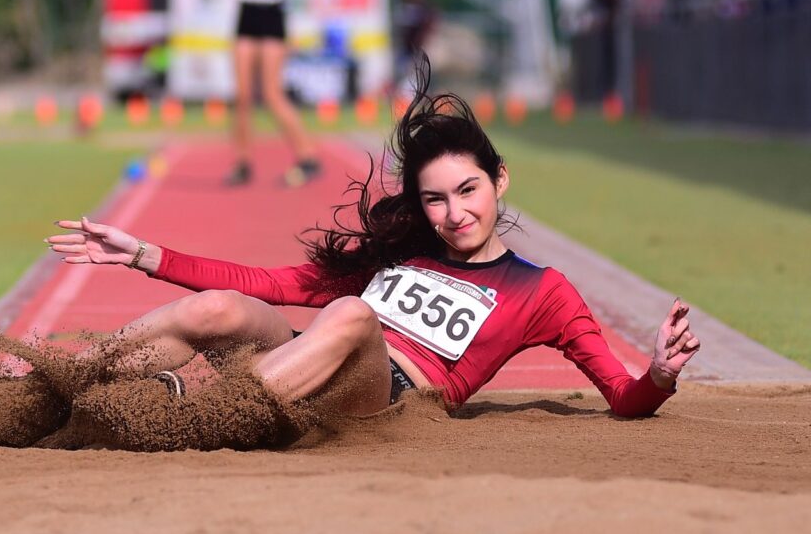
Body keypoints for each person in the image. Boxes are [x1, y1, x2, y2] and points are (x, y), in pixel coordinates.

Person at [44, 59, 700, 426]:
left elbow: (623, 396)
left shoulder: (543, 291)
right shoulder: (402, 250)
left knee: (354, 315)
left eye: (468, 190)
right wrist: (144, 255)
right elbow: (270, 285)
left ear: (499, 179)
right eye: (435, 199)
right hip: (305, 363)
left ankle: (202, 415)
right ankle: (60, 381)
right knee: (219, 308)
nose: (455, 213)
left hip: (389, 398)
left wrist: (660, 375)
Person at [225, 0, 321, 188]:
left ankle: (307, 156)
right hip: (247, 16)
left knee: (272, 94)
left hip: (272, 17)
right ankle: (242, 163)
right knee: (242, 96)